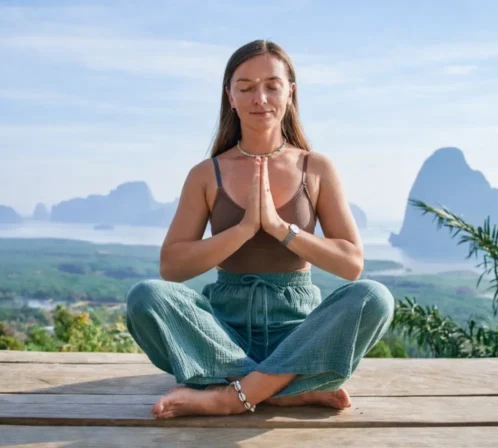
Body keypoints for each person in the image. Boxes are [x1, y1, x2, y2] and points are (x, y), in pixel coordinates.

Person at [125, 39, 395, 420]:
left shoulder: (315, 168)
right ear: (230, 97)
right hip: (222, 333)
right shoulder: (207, 174)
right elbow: (171, 267)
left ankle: (230, 395)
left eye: (272, 85)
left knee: (374, 297)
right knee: (145, 297)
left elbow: (352, 265)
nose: (260, 98)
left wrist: (280, 228)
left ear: (290, 93)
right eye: (246, 88)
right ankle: (282, 389)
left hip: (298, 333)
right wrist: (245, 228)